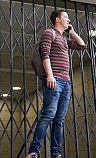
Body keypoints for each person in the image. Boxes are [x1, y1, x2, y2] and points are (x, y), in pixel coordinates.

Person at [27, 9, 86, 158]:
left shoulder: (64, 40)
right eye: (66, 17)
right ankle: (34, 151)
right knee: (49, 114)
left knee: (59, 119)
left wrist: (71, 32)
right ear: (57, 20)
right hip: (55, 80)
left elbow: (82, 45)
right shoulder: (49, 33)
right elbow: (45, 54)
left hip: (66, 82)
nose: (68, 20)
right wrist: (50, 75)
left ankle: (56, 153)